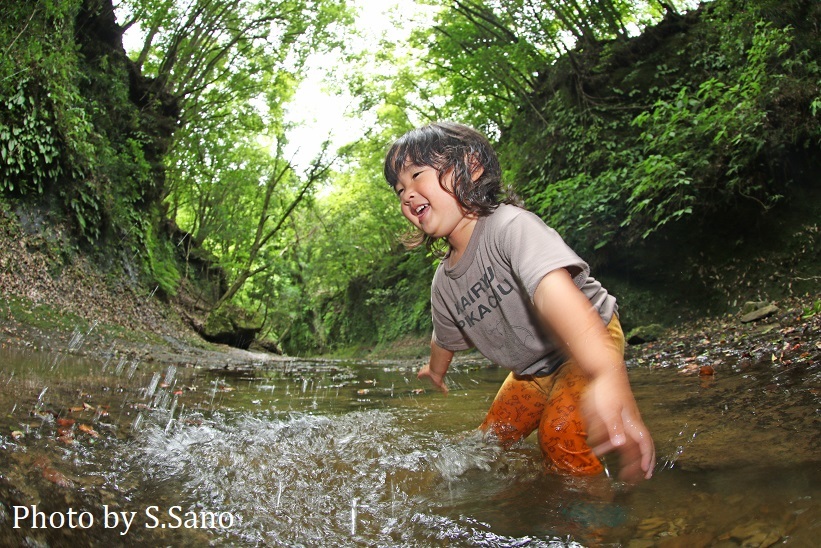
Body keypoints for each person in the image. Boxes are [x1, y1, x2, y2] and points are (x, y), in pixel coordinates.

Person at [383, 122, 655, 482]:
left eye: (417, 174)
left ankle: (596, 524)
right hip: (531, 371)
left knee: (559, 436)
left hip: (586, 341)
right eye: (400, 189)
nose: (406, 194)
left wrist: (605, 373)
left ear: (472, 166)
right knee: (485, 445)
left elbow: (552, 291)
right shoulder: (443, 285)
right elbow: (443, 339)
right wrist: (435, 371)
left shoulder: (510, 228)